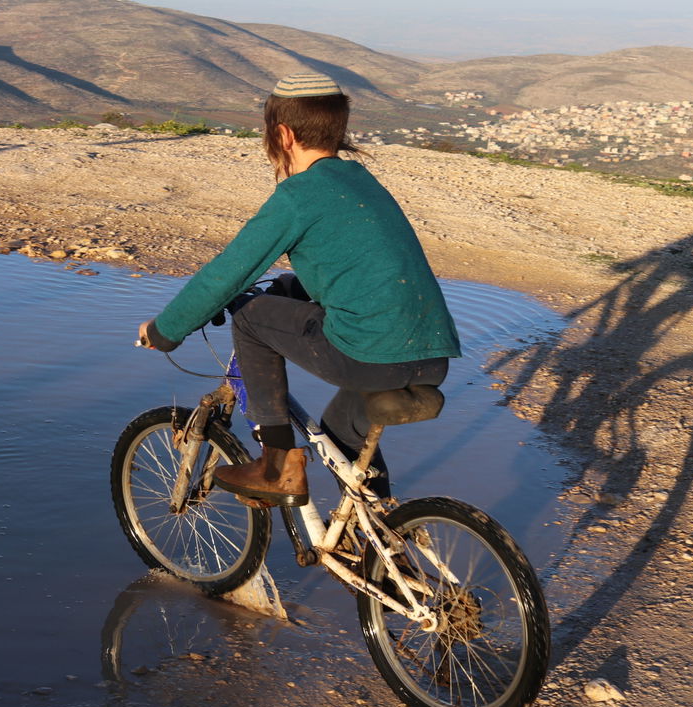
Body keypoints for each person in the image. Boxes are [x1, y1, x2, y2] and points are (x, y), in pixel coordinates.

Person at [137, 72, 461, 507]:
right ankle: (381, 533)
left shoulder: (299, 195)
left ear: (283, 134)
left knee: (250, 318)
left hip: (369, 354)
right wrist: (293, 285)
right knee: (341, 432)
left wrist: (165, 330)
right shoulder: (361, 180)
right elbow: (356, 264)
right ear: (338, 129)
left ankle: (275, 467)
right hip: (431, 355)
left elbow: (225, 275)